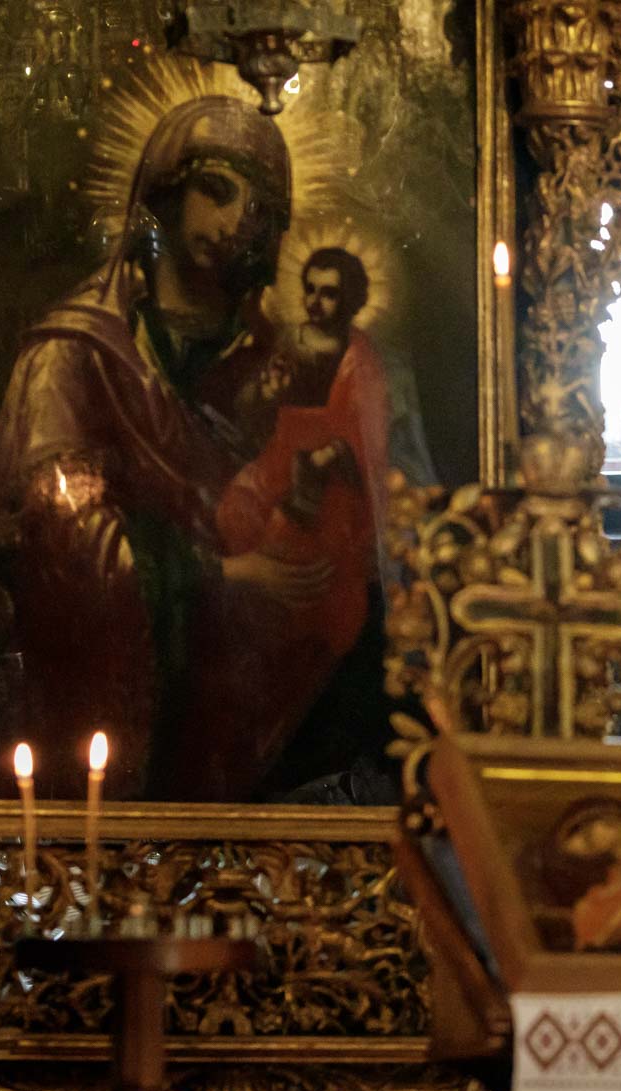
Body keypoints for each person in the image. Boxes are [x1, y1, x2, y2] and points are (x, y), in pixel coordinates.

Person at [0, 95, 326, 799]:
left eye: (257, 211)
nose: (234, 224)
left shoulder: (276, 366)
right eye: (217, 192)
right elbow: (57, 533)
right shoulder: (77, 353)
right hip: (102, 735)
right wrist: (218, 575)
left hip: (244, 732)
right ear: (165, 191)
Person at [202, 245, 394, 793]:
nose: (315, 301)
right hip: (284, 464)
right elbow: (254, 415)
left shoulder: (363, 359)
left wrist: (335, 454)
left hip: (339, 498)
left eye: (329, 291)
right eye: (310, 288)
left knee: (321, 591)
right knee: (234, 515)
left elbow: (371, 441)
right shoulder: (290, 343)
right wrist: (260, 398)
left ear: (352, 299)